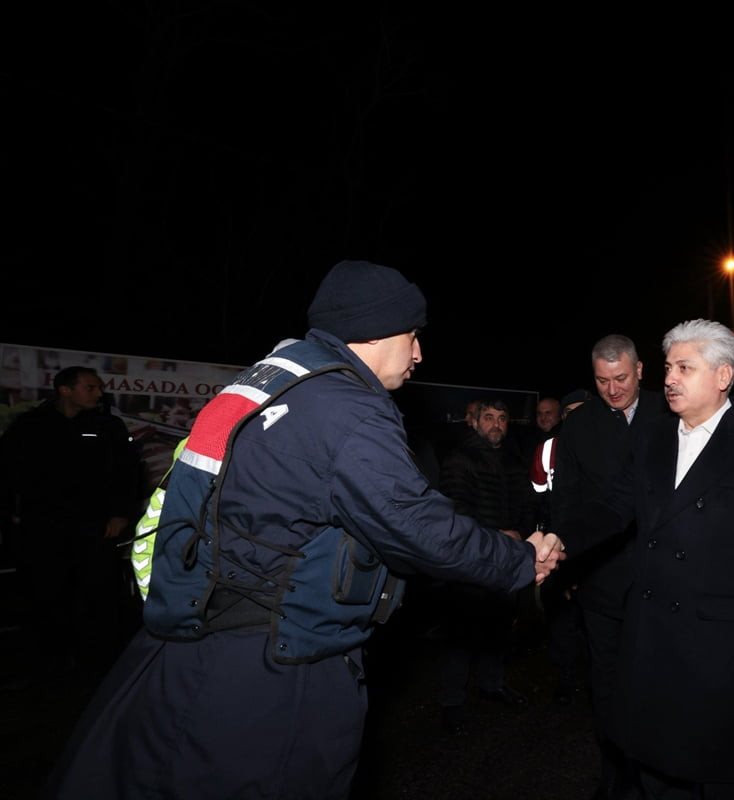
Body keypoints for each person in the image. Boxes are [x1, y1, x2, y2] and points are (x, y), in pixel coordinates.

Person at [43, 260, 563, 799]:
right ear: (375, 330)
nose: (418, 354)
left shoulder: (276, 378)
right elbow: (415, 524)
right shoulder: (348, 408)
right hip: (272, 670)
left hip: (197, 641)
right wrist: (520, 561)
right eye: (413, 336)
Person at [555, 319, 734, 799]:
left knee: (718, 780)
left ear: (722, 376)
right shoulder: (652, 439)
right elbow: (611, 509)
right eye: (669, 367)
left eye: (684, 368)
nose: (669, 378)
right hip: (650, 639)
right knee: (653, 772)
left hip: (719, 652)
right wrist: (555, 542)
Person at [551, 334, 670, 798]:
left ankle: (656, 767)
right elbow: (566, 502)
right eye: (602, 381)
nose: (613, 390)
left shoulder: (671, 411)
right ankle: (614, 765)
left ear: (640, 370)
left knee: (657, 676)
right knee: (606, 679)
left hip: (665, 577)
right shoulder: (578, 427)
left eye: (621, 378)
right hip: (602, 576)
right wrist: (567, 566)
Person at [0, 365, 143, 689]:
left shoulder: (108, 426)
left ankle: (97, 664)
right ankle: (49, 662)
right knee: (45, 593)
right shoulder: (30, 426)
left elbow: (128, 472)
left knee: (97, 593)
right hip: (43, 528)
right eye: (90, 387)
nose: (98, 393)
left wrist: (120, 514)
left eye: (98, 388)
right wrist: (12, 515)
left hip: (95, 527)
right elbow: (8, 473)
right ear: (65, 389)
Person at [436, 397, 540, 732]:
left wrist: (521, 534)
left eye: (502, 418)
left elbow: (526, 504)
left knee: (498, 626)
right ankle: (452, 701)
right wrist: (498, 535)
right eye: (489, 418)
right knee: (461, 631)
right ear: (476, 422)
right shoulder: (459, 459)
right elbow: (455, 511)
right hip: (470, 557)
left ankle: (491, 684)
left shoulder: (513, 459)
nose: (496, 424)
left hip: (505, 558)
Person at [529, 387, 591, 707]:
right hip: (560, 544)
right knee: (561, 615)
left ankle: (600, 678)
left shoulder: (608, 446)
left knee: (597, 614)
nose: (576, 419)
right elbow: (540, 502)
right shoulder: (547, 449)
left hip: (597, 547)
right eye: (570, 413)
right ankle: (565, 674)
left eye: (583, 411)